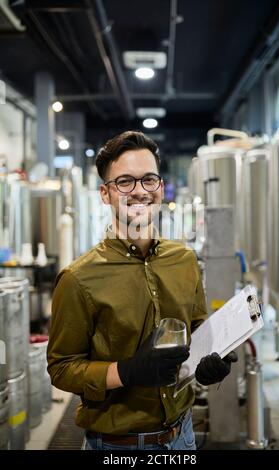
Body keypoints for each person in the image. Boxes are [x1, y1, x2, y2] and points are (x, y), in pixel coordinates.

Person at [47, 130, 237, 451]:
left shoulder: (185, 260)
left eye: (149, 180)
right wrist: (126, 372)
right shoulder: (78, 278)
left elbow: (198, 328)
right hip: (117, 446)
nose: (139, 191)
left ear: (160, 189)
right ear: (105, 194)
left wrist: (210, 362)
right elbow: (62, 368)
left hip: (182, 435)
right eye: (125, 182)